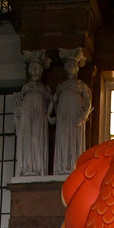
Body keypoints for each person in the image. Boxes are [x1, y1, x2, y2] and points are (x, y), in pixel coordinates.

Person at [49, 48, 92, 176]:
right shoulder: (61, 86)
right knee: (63, 138)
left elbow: (88, 103)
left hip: (75, 116)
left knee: (74, 139)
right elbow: (54, 101)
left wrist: (83, 117)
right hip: (63, 116)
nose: (69, 68)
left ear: (76, 68)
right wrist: (50, 114)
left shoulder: (80, 85)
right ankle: (62, 165)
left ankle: (74, 164)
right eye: (67, 65)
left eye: (72, 65)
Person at [14, 50, 50, 177]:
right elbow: (18, 103)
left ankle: (37, 167)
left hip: (39, 113)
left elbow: (50, 102)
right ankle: (27, 166)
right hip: (27, 112)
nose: (35, 70)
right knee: (28, 137)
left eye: (37, 68)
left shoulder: (44, 89)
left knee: (37, 137)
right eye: (32, 67)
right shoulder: (25, 88)